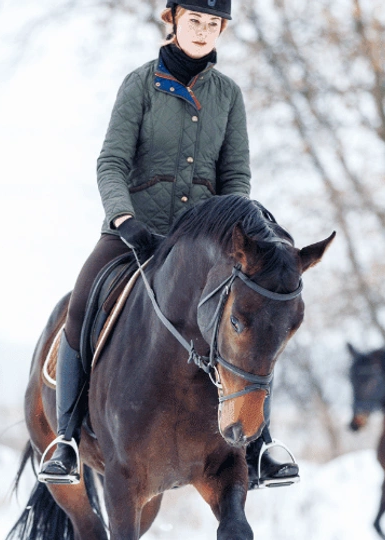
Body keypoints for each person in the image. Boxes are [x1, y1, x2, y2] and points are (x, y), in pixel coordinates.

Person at [38, 0, 299, 489]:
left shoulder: (228, 95)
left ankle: (261, 447)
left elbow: (235, 175)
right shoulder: (138, 85)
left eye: (213, 24)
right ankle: (68, 440)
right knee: (81, 304)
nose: (203, 31)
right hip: (133, 234)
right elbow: (110, 162)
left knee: (255, 316)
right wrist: (124, 217)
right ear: (173, 20)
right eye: (195, 21)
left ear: (222, 29)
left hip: (204, 249)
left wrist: (229, 230)